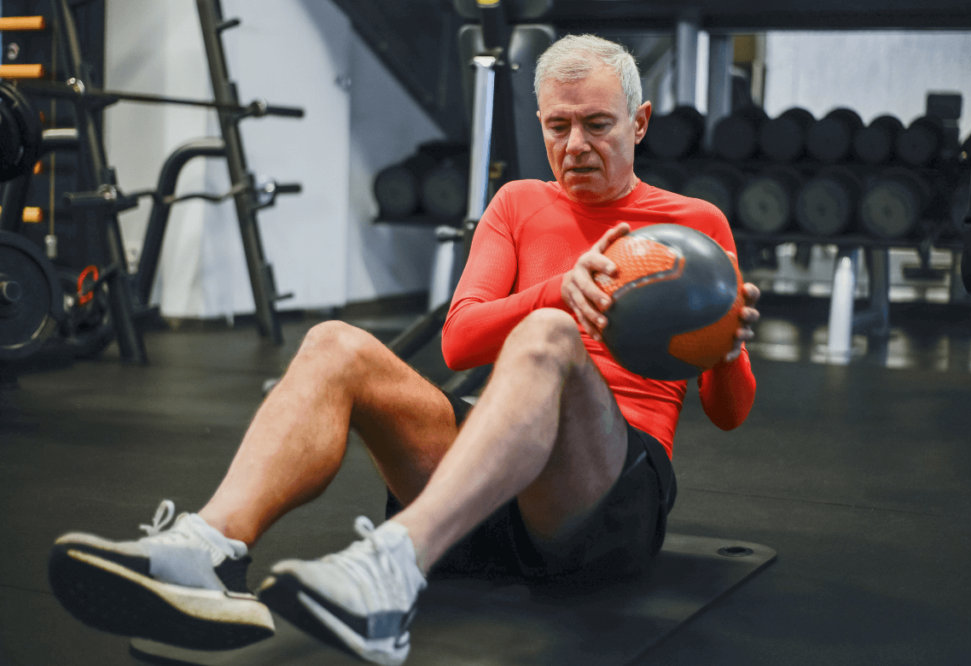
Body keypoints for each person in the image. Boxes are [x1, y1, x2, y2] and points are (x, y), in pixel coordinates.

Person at [48, 34, 759, 666]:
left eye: (598, 125)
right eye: (558, 126)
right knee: (334, 343)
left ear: (638, 122)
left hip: (602, 506)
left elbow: (729, 415)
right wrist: (556, 290)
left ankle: (390, 573)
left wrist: (725, 345)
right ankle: (205, 551)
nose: (576, 146)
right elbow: (460, 339)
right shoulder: (517, 204)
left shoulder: (693, 225)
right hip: (486, 494)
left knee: (549, 337)